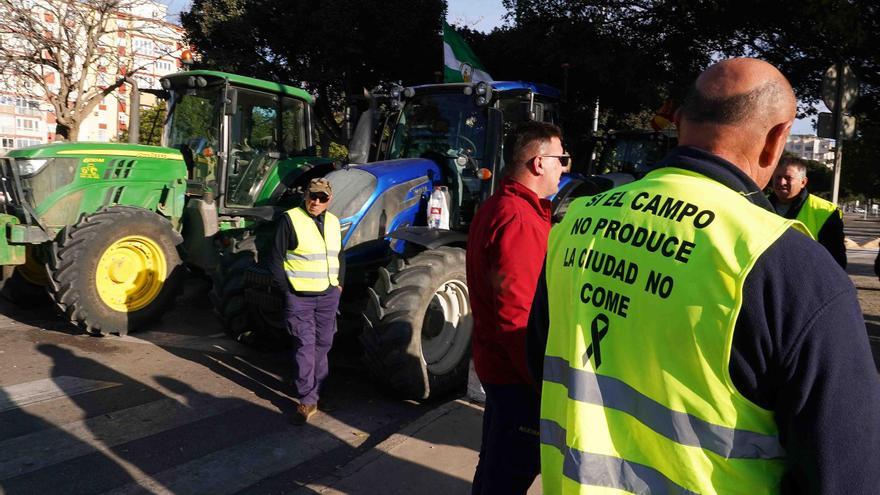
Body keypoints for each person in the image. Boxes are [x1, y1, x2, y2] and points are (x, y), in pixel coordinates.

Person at [528, 58, 880, 494]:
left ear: (680, 123)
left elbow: (541, 360)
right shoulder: (789, 268)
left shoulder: (575, 221)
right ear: (776, 140)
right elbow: (846, 474)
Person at [467, 121, 568, 494]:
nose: (564, 168)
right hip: (518, 379)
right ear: (540, 162)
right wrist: (543, 383)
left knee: (495, 467)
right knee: (507, 476)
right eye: (561, 159)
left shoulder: (500, 206)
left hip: (500, 370)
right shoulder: (519, 219)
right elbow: (517, 316)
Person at [268, 177, 345, 425]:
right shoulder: (290, 219)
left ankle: (316, 390)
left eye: (322, 198)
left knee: (324, 343)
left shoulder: (333, 222)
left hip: (328, 295)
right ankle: (307, 397)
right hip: (300, 296)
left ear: (329, 199)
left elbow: (340, 255)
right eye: (313, 196)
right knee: (305, 346)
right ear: (306, 196)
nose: (316, 202)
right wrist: (287, 291)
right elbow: (276, 259)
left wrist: (339, 284)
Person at [770, 157, 847, 267]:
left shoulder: (827, 212)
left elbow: (836, 261)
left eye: (788, 178)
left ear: (803, 182)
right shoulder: (758, 205)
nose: (781, 182)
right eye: (778, 177)